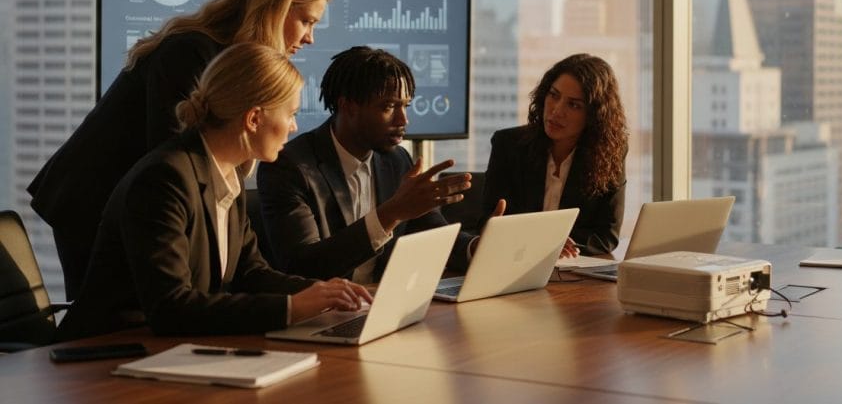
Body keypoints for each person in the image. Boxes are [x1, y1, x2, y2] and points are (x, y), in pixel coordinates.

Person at [28, 0, 329, 300]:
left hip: (137, 200)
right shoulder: (190, 51)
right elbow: (175, 159)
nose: (310, 37)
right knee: (115, 322)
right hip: (91, 200)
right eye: (307, 21)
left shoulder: (222, 56)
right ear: (276, 6)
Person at [56, 43, 371, 341]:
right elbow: (170, 308)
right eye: (290, 114)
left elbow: (251, 273)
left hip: (166, 350)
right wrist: (293, 308)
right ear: (254, 118)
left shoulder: (224, 172)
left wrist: (322, 292)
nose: (293, 127)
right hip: (106, 352)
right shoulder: (165, 178)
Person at [257, 46, 495, 283]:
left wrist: (476, 248)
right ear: (348, 106)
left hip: (381, 301)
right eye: (388, 107)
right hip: (320, 310)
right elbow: (304, 267)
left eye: (405, 106)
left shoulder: (397, 159)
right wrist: (391, 213)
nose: (403, 120)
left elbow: (432, 230)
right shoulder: (289, 166)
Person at [481, 53, 628, 257]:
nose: (557, 111)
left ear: (594, 116)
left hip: (571, 269)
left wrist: (568, 245)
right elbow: (489, 220)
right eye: (554, 95)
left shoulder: (608, 153)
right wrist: (544, 242)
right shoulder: (509, 145)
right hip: (514, 262)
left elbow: (607, 235)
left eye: (574, 105)